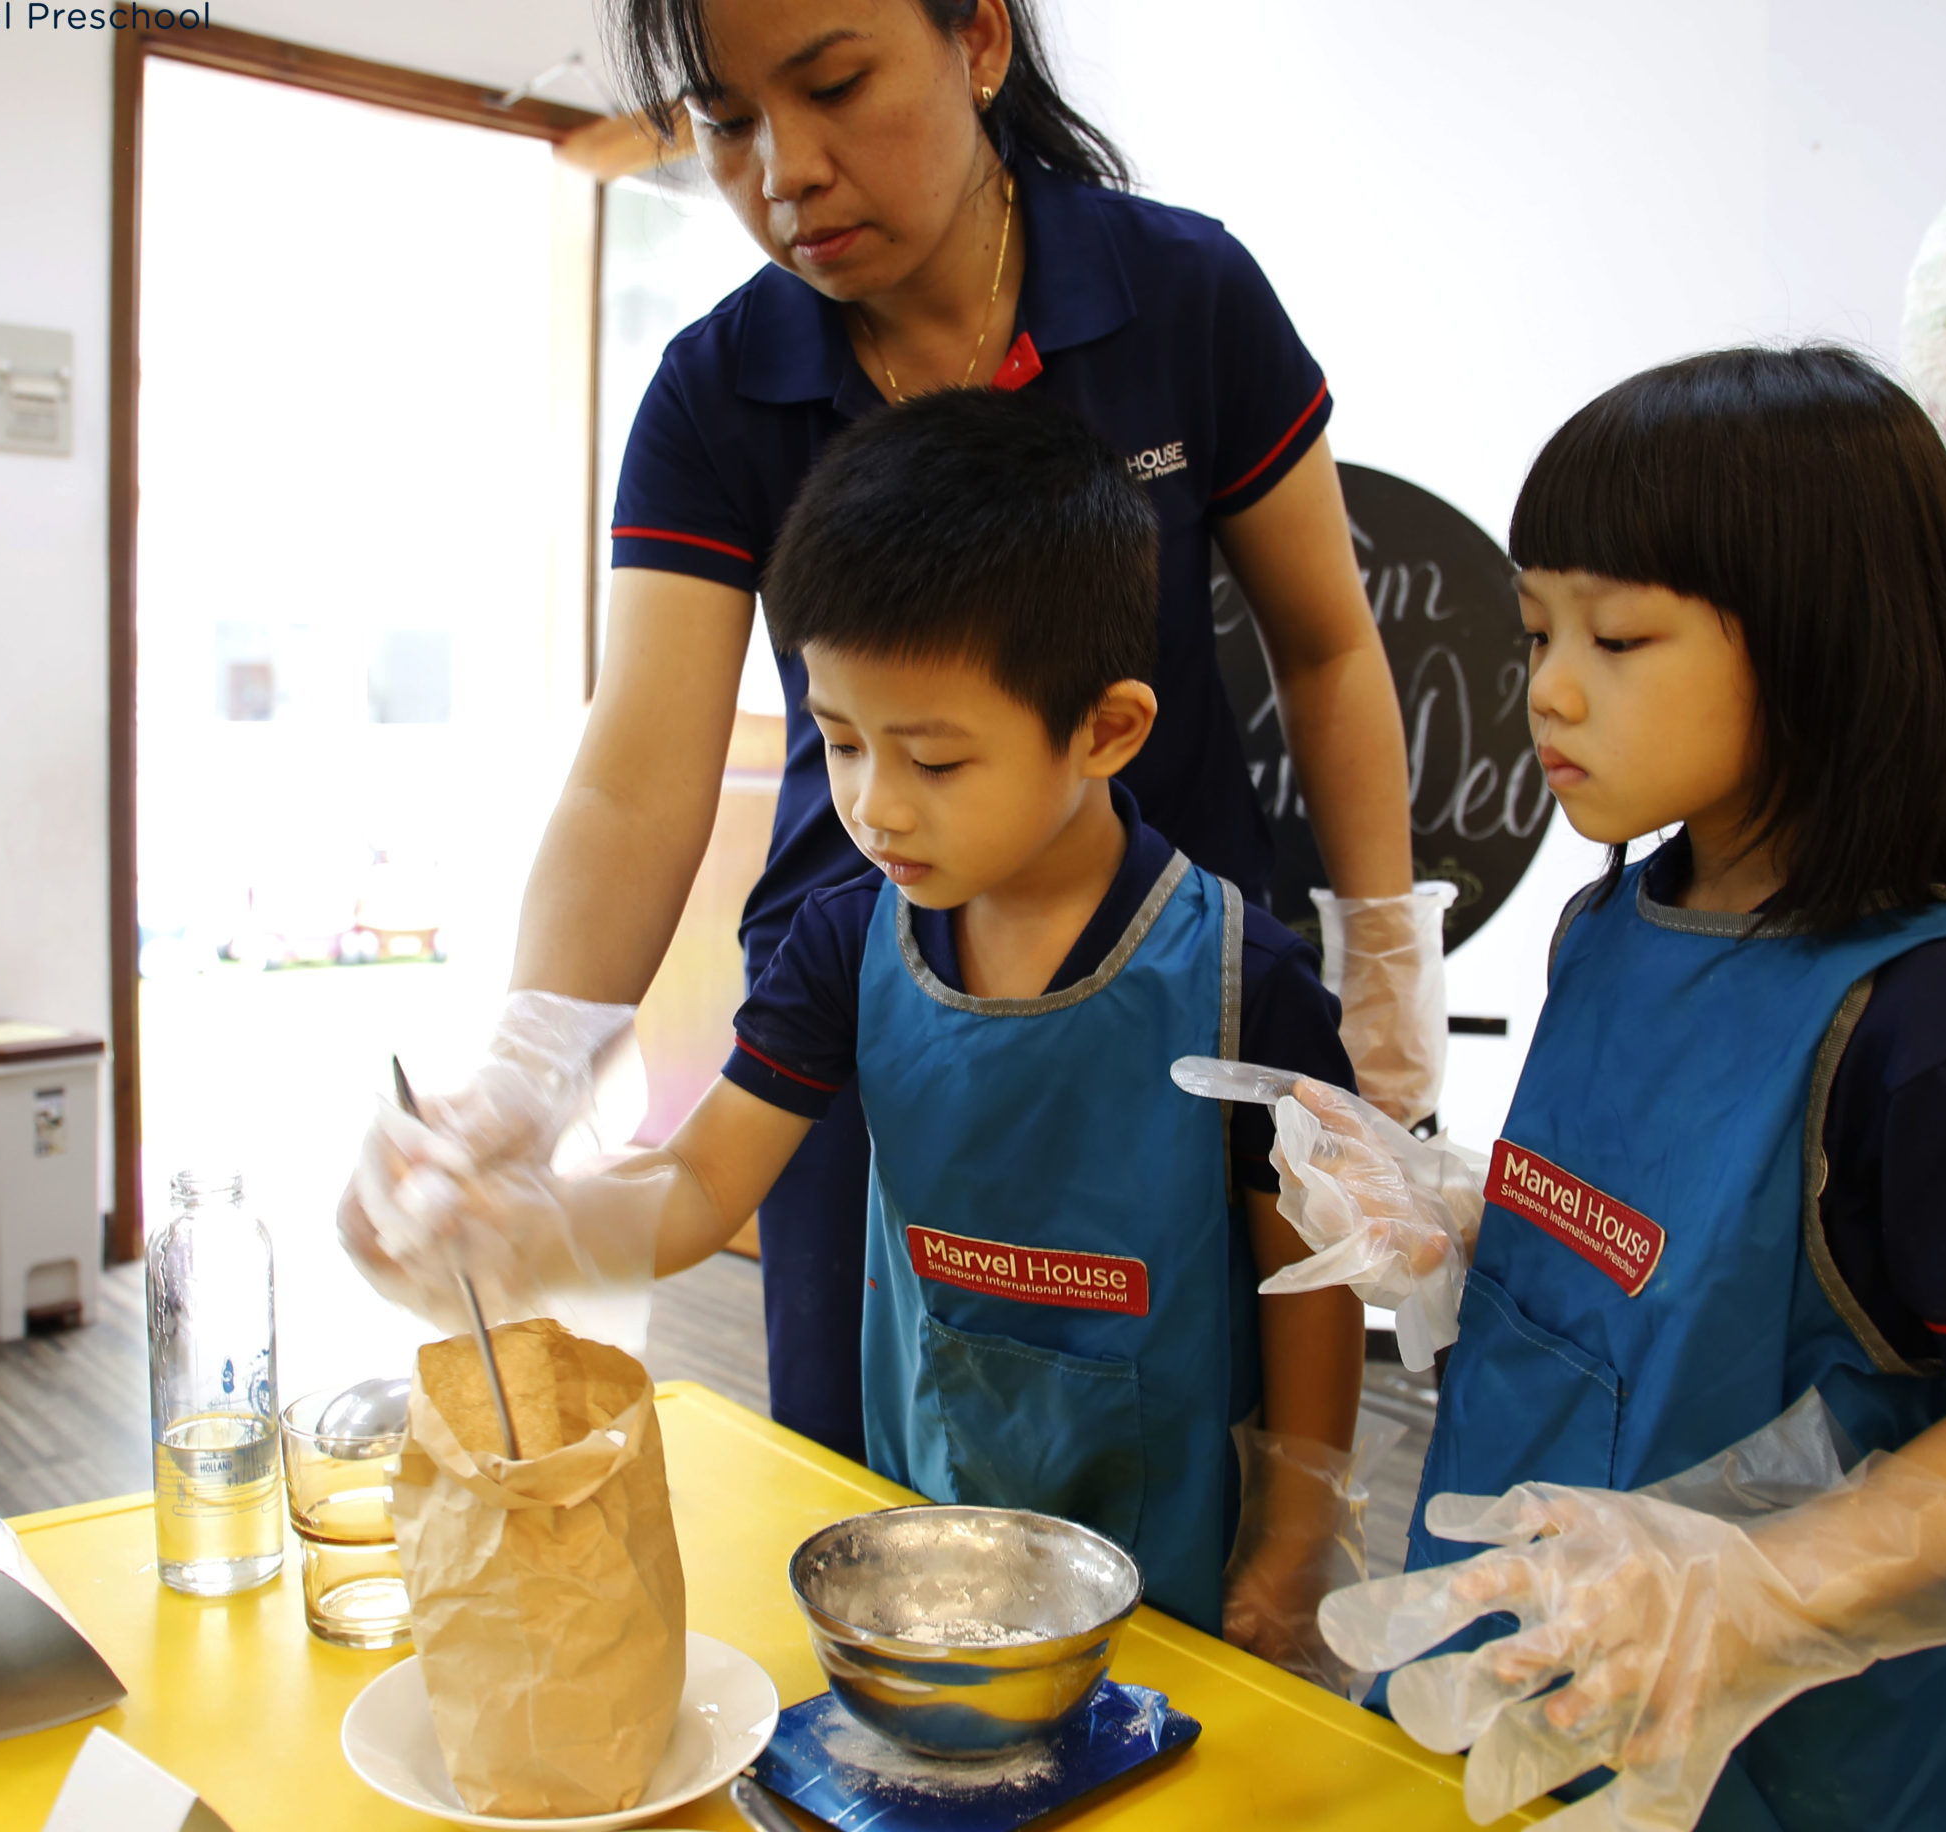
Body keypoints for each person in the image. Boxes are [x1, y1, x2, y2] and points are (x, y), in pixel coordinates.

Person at [361, 0, 1433, 1466]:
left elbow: (1327, 647)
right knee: (875, 1486)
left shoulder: (1183, 296)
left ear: (977, 36)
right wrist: (532, 1067)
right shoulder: (722, 389)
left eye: (836, 84)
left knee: (1196, 1473)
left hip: (1175, 1013)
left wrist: (1382, 966)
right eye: (727, 123)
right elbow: (634, 770)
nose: (783, 171)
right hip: (868, 1021)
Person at [350, 392, 1369, 1659]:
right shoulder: (843, 944)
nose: (873, 807)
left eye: (934, 761)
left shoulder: (1239, 981)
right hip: (928, 1550)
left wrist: (1292, 1536)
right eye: (838, 742)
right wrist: (525, 1227)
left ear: (1105, 730)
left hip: (1176, 1576)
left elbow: (1312, 1285)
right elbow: (701, 1182)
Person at [1256, 348, 1946, 1829]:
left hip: (1790, 1745)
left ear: (1821, 646)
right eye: (1534, 632)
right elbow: (1634, 1254)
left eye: (1622, 638)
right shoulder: (1611, 927)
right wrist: (1461, 1223)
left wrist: (1762, 1584)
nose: (1552, 691)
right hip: (1536, 1657)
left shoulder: (1932, 1037)